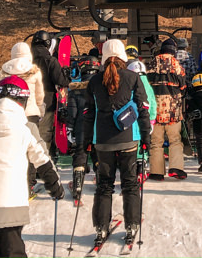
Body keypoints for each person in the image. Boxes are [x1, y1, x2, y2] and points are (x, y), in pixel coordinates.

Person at [0, 75, 64, 258]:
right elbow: (42, 160)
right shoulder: (26, 128)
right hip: (11, 202)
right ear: (23, 101)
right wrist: (54, 186)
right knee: (12, 249)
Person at [72, 39, 151, 250]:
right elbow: (143, 109)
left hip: (102, 141)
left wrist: (87, 142)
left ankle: (101, 228)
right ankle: (131, 225)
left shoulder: (95, 81)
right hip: (128, 139)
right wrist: (146, 139)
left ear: (104, 57)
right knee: (130, 184)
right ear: (123, 56)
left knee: (104, 185)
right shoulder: (133, 78)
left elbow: (88, 114)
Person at [146, 38, 187, 180]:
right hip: (173, 110)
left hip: (155, 109)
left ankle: (157, 172)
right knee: (175, 139)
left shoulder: (151, 63)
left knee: (156, 142)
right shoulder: (177, 65)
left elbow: (147, 85)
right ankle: (176, 168)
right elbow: (183, 87)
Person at [31, 30, 71, 156]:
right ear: (47, 43)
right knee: (43, 134)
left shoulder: (25, 60)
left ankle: (28, 165)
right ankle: (41, 165)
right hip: (46, 102)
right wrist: (66, 73)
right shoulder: (50, 60)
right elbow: (61, 81)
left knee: (28, 134)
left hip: (26, 102)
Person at [0, 42, 45, 123]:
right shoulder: (35, 71)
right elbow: (39, 95)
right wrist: (40, 108)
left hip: (9, 113)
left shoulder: (3, 72)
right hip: (30, 112)